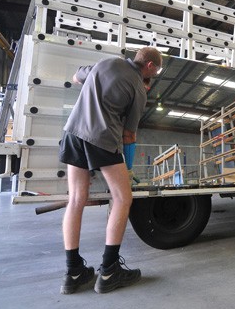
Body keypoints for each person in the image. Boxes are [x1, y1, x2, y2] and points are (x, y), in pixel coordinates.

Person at [58, 47, 162, 294]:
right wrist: (127, 168)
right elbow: (128, 133)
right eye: (156, 69)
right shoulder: (138, 88)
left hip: (73, 133)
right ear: (149, 66)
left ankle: (73, 272)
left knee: (75, 199)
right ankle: (109, 271)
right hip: (102, 138)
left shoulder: (105, 63)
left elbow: (76, 77)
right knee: (123, 197)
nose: (155, 73)